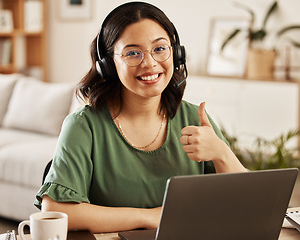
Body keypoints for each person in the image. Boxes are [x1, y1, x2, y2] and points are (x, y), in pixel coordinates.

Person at [35, 1, 247, 233]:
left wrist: (221, 153)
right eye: (132, 53)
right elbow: (57, 210)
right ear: (108, 64)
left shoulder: (193, 118)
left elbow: (249, 204)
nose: (149, 63)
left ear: (176, 53)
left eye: (159, 48)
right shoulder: (84, 126)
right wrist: (150, 217)